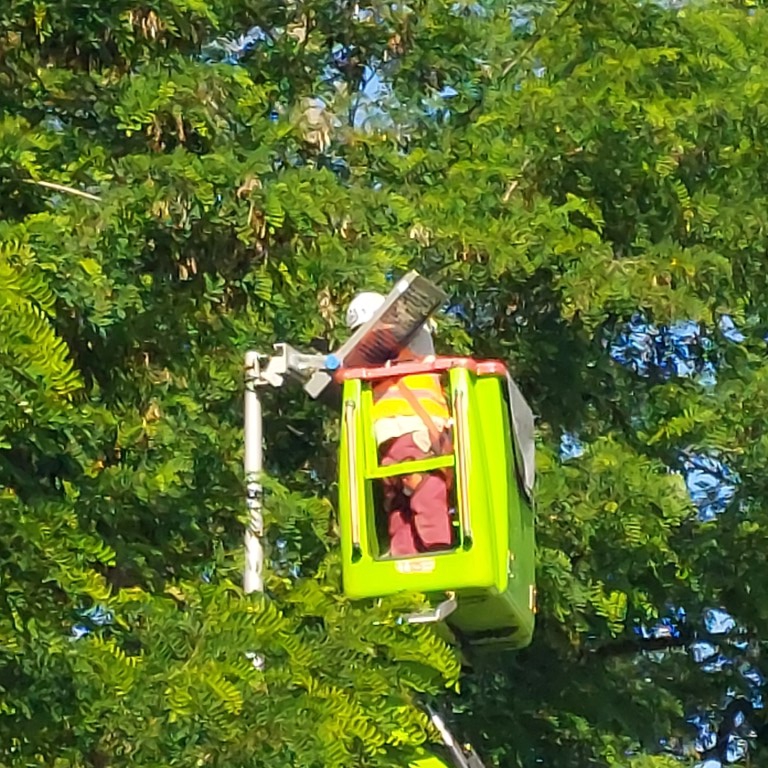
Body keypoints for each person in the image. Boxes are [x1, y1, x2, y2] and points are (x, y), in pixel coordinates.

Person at [345, 292, 454, 556]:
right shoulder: (374, 355)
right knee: (399, 496)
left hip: (414, 428)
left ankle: (435, 548)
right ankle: (406, 555)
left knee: (421, 486)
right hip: (393, 436)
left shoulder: (413, 336)